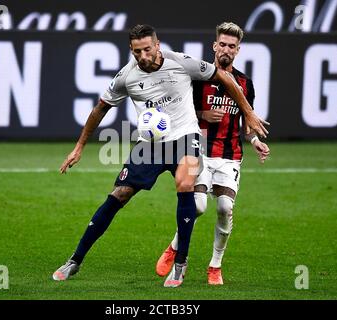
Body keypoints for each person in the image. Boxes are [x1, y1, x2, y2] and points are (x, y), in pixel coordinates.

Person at [52, 24, 269, 288]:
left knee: (186, 183)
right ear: (131, 51)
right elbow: (101, 108)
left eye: (147, 49)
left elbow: (223, 77)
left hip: (186, 138)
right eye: (136, 52)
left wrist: (247, 112)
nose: (143, 56)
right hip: (151, 144)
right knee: (119, 194)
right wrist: (79, 146)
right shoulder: (126, 77)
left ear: (157, 45)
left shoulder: (181, 62)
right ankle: (75, 260)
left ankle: (180, 264)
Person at [155, 22, 270, 285]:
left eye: (232, 46)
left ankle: (215, 266)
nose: (226, 50)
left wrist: (255, 141)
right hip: (200, 150)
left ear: (238, 50)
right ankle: (175, 247)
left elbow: (247, 121)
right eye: (223, 45)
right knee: (197, 205)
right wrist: (202, 114)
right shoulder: (196, 79)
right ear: (214, 46)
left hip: (230, 155)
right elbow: (177, 114)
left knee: (224, 207)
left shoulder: (244, 83)